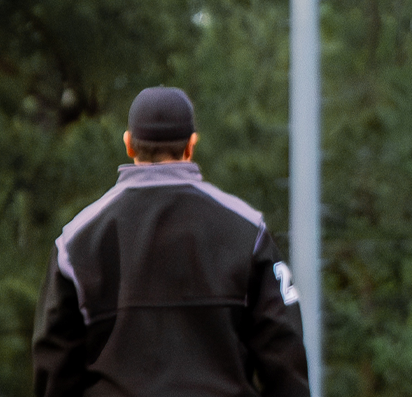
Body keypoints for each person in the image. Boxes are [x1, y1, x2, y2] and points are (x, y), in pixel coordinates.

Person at [32, 86, 310, 397]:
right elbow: (283, 352)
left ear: (129, 145)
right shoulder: (248, 230)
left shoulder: (76, 240)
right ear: (191, 146)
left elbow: (55, 363)